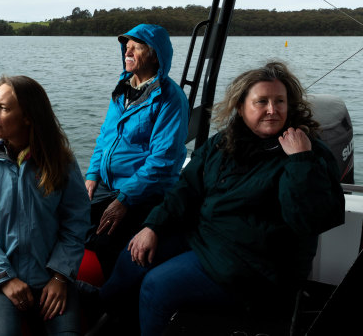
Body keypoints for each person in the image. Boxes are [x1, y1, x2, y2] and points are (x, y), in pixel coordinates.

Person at [99, 62, 346, 335]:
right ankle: (105, 314)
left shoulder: (308, 152)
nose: (272, 110)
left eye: (280, 101)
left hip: (257, 265)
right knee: (133, 256)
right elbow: (186, 189)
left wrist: (301, 159)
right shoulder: (223, 142)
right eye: (261, 101)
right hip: (206, 238)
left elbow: (310, 220)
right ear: (241, 107)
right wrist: (153, 226)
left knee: (157, 286)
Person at [0, 75, 90, 335]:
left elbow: (76, 221)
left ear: (28, 116)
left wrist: (60, 276)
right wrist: (5, 279)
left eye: (3, 108)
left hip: (49, 277)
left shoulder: (60, 162)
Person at [84, 23, 189, 277]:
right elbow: (105, 137)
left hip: (145, 192)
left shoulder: (171, 98)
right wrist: (91, 175)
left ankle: (113, 303)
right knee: (64, 219)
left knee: (105, 241)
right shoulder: (123, 88)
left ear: (154, 55)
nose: (128, 52)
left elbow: (162, 161)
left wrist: (125, 199)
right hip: (107, 185)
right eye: (126, 47)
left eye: (136, 47)